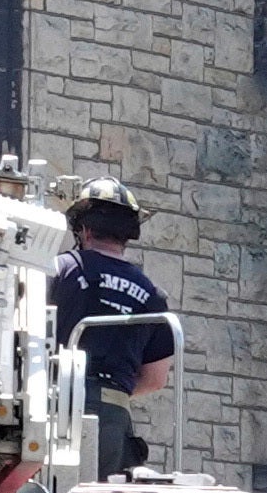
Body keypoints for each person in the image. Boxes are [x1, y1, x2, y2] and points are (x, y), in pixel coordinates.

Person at [50, 177, 174, 472]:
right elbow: (156, 379)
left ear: (83, 229)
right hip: (114, 417)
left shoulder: (60, 270)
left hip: (58, 404)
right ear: (128, 234)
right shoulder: (153, 295)